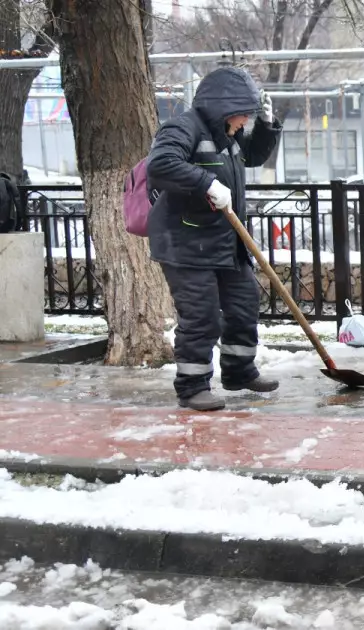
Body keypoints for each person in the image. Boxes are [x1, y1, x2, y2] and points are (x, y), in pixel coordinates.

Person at [146, 66, 282, 412]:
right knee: (202, 316)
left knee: (243, 304)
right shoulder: (183, 127)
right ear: (224, 106)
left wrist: (267, 125)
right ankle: (192, 387)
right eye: (244, 116)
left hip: (225, 242)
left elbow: (253, 157)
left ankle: (239, 372)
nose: (244, 123)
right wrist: (205, 182)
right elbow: (161, 164)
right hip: (186, 242)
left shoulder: (228, 135)